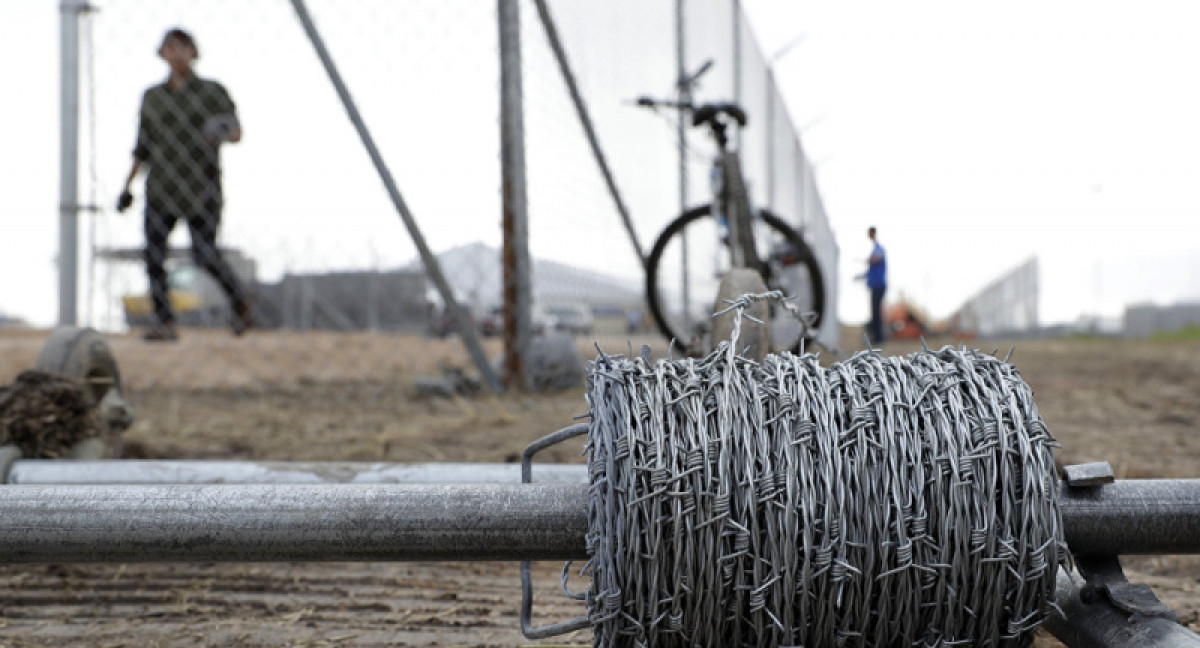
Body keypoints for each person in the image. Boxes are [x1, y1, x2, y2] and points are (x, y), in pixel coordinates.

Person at [116, 28, 250, 341]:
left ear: (193, 52)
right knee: (154, 255)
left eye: (182, 47)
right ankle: (165, 322)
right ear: (162, 53)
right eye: (170, 48)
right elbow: (142, 146)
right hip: (162, 186)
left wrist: (220, 131)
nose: (176, 54)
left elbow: (236, 132)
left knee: (204, 254)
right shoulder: (153, 97)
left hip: (201, 186)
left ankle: (239, 302)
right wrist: (127, 186)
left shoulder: (212, 92)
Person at [865, 226, 888, 344]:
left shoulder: (878, 248)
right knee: (874, 311)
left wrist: (868, 260)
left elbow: (877, 259)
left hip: (879, 285)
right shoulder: (875, 248)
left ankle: (878, 337)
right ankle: (877, 336)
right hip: (875, 284)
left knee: (876, 311)